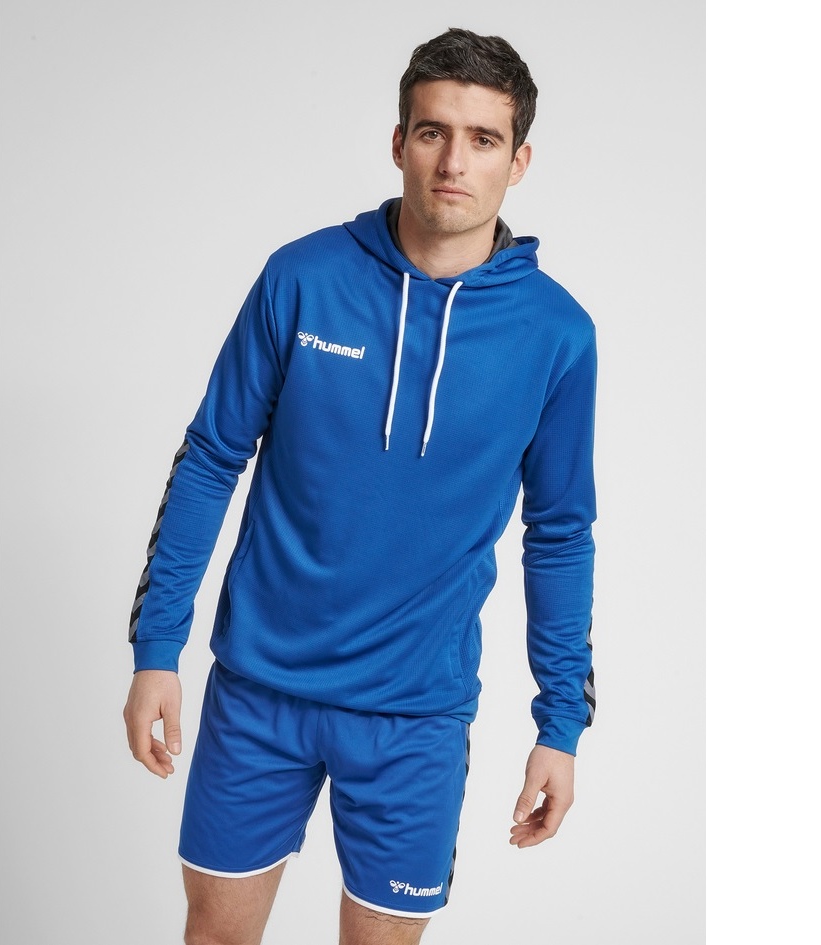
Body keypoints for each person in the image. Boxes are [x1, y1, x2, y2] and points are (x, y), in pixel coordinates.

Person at [123, 26, 597, 945]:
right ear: (398, 142)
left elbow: (560, 531)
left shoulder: (556, 334)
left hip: (415, 716)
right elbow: (211, 458)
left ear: (518, 161)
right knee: (214, 935)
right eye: (432, 132)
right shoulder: (302, 278)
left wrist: (560, 724)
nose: (453, 161)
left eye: (482, 139)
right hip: (258, 692)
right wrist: (156, 648)